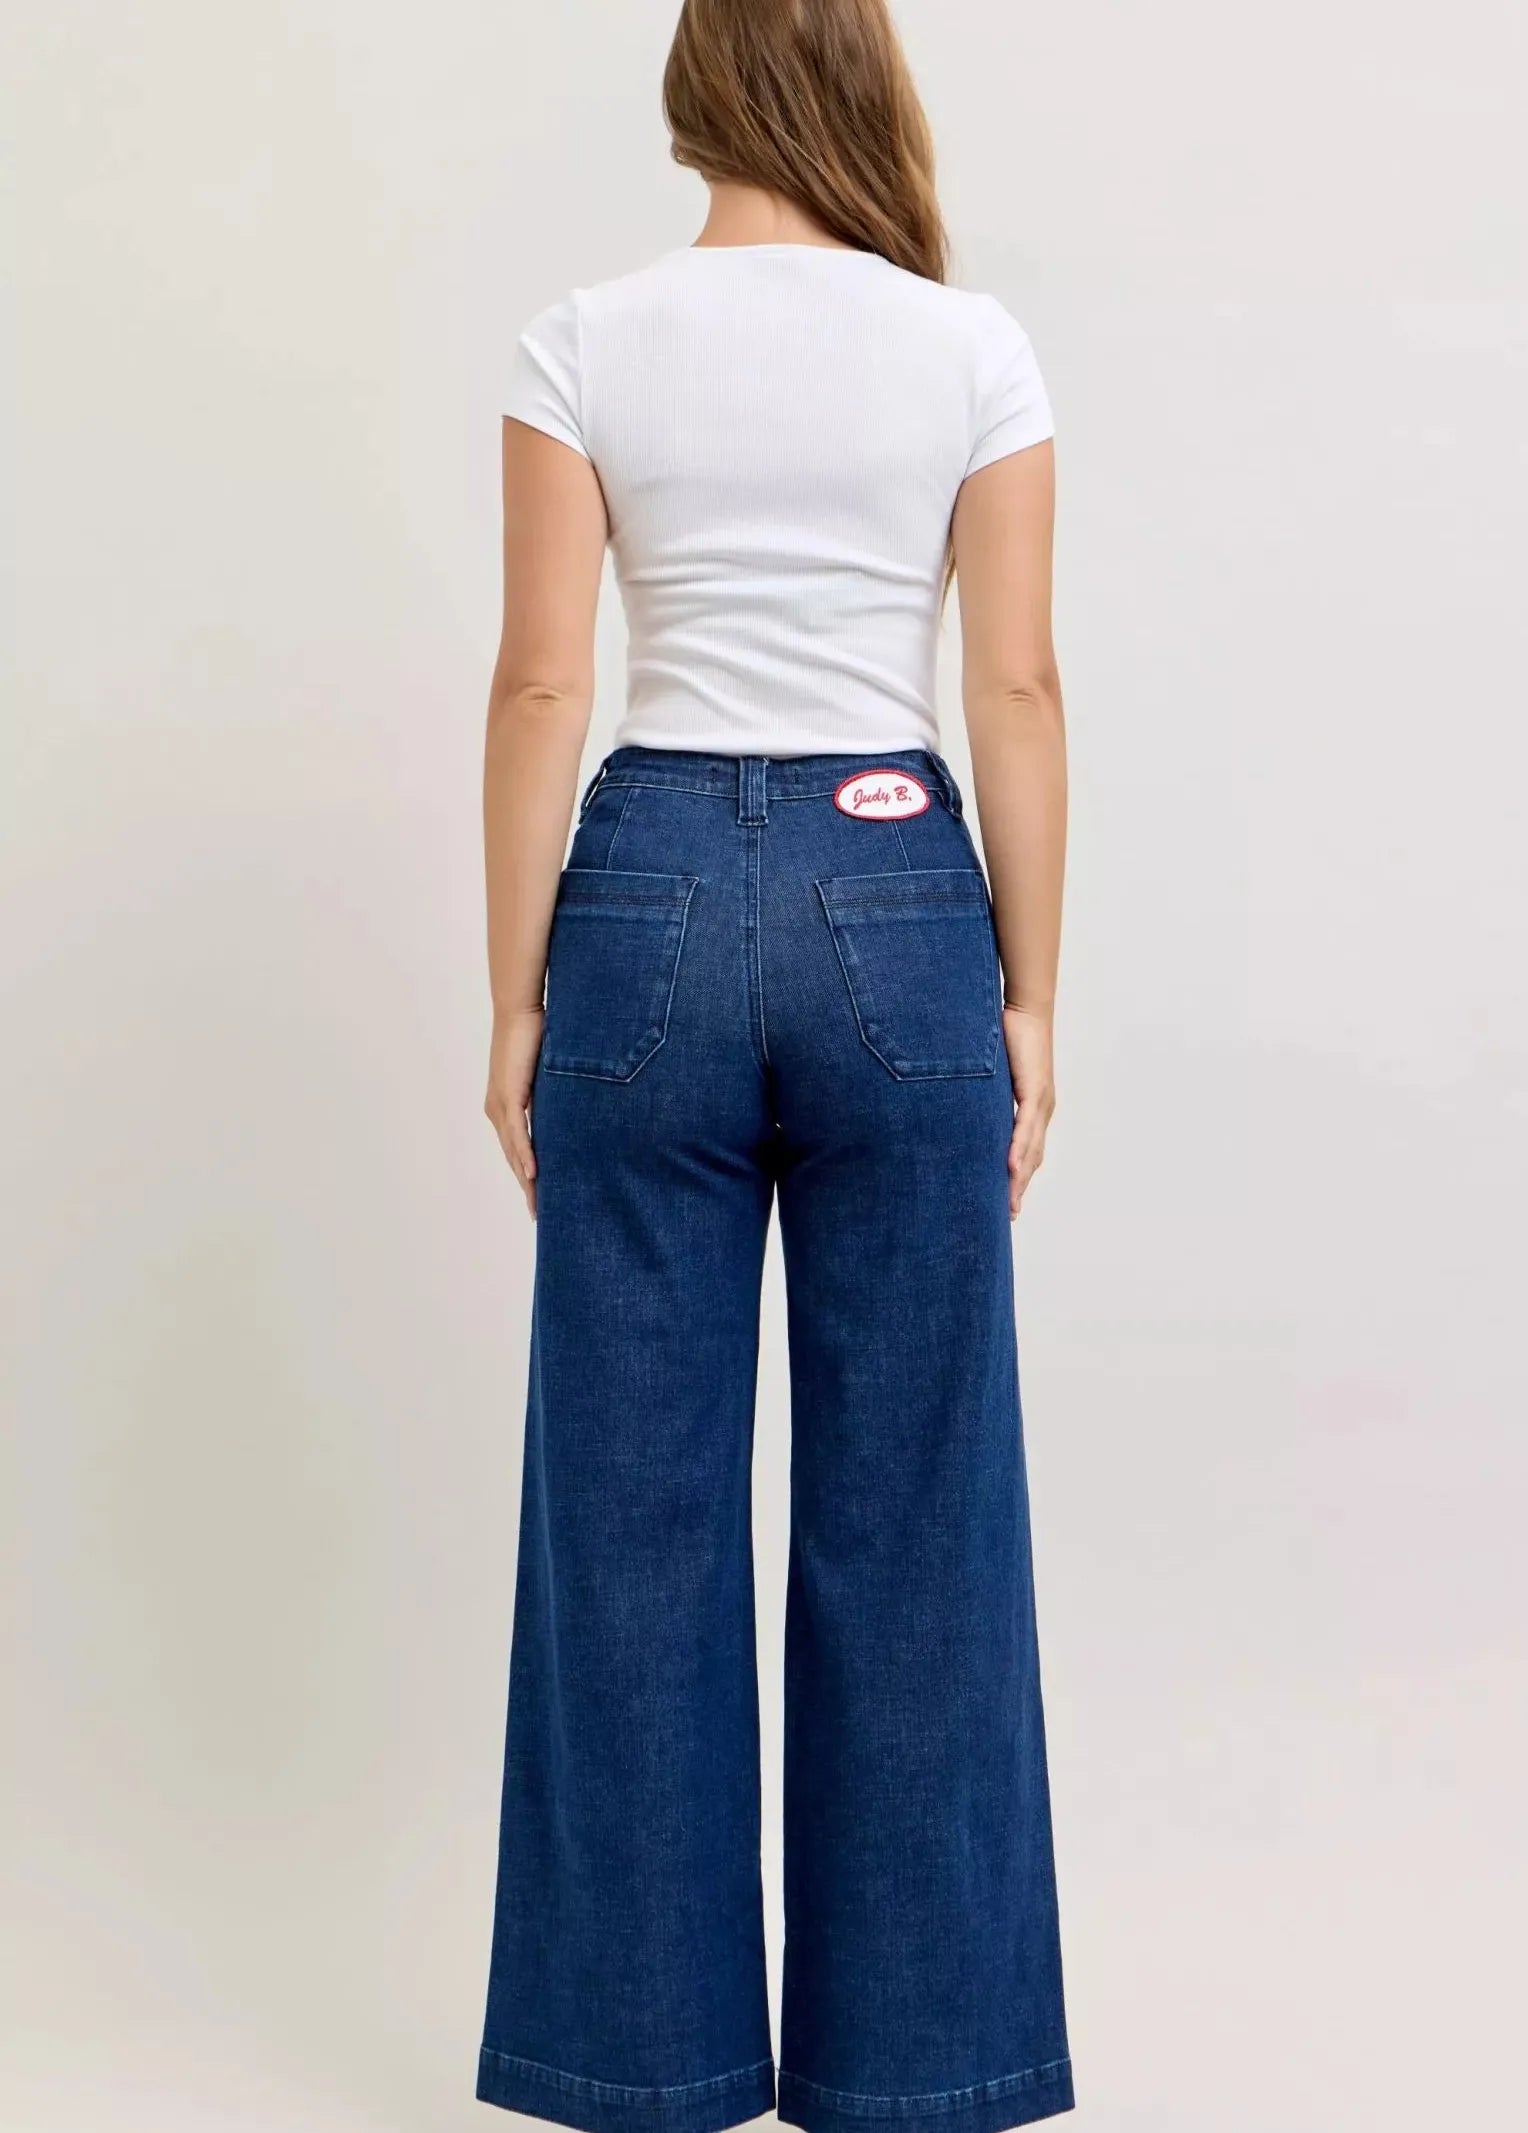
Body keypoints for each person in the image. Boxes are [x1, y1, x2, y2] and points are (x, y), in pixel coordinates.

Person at [475, 5, 1072, 2131]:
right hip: (899, 894)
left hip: (639, 889)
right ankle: (920, 2069)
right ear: (863, 86)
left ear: (695, 91)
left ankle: (636, 2066)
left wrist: (517, 993)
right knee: (916, 1515)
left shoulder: (583, 340)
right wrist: (1028, 994)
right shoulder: (968, 348)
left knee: (626, 1524)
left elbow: (544, 684)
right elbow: (1013, 682)